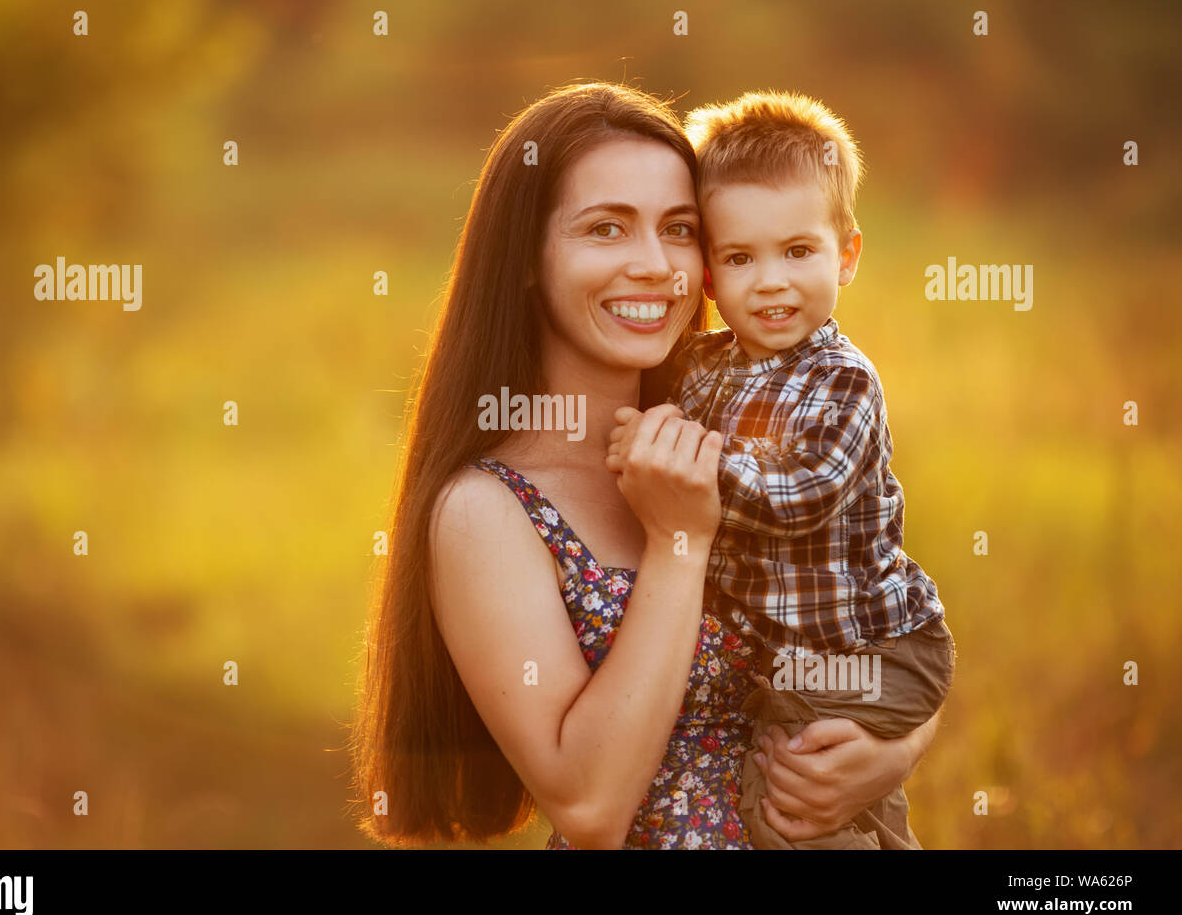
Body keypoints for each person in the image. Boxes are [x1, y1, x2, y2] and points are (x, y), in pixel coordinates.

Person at [349, 81, 942, 849]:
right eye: (606, 230)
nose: (655, 265)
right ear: (525, 259)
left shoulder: (737, 430)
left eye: (679, 229)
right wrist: (679, 542)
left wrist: (894, 748)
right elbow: (591, 808)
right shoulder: (486, 511)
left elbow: (880, 616)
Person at [609, 89, 955, 848]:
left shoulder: (843, 380)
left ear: (848, 255)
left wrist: (680, 453)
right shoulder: (702, 368)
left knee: (786, 803)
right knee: (838, 796)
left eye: (798, 252)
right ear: (708, 276)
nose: (770, 282)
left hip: (878, 652)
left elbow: (799, 497)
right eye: (740, 258)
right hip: (799, 665)